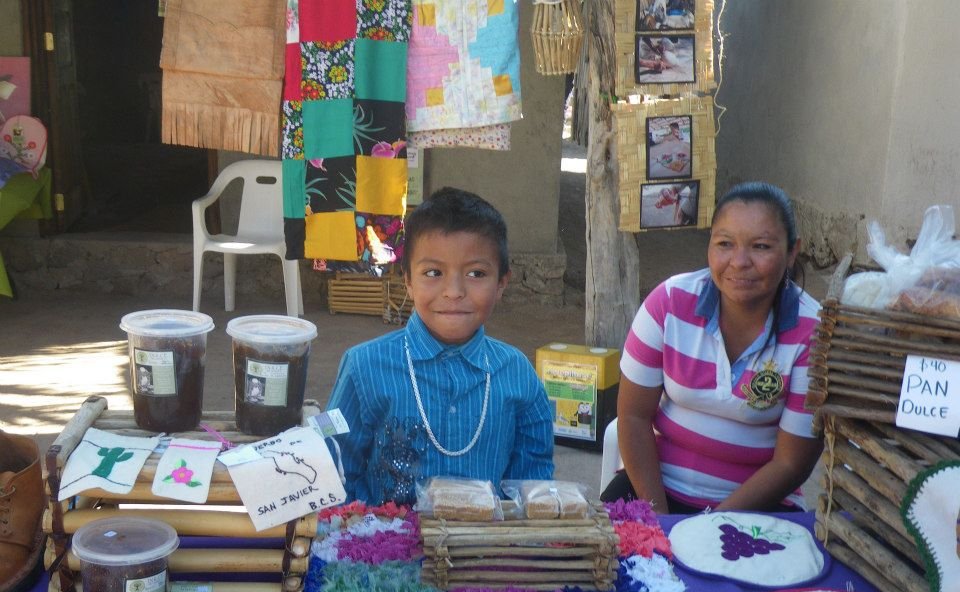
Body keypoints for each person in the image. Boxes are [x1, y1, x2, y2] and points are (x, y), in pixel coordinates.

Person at [601, 181, 822, 513]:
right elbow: (632, 417)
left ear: (792, 252)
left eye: (761, 246)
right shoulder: (668, 304)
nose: (739, 261)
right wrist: (660, 520)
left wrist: (709, 527)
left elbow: (791, 464)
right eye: (725, 243)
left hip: (759, 505)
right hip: (653, 489)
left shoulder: (813, 333)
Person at [327, 187, 555, 505]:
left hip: (487, 551)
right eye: (433, 273)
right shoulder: (364, 366)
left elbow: (532, 489)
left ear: (502, 281)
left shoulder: (517, 374)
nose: (453, 291)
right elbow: (333, 471)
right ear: (407, 279)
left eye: (476, 273)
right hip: (387, 549)